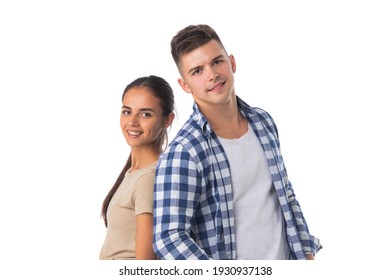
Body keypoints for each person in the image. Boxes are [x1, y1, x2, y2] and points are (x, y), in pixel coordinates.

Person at [153, 24, 322, 260]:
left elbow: (285, 194)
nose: (212, 75)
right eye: (197, 71)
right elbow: (168, 237)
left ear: (232, 62)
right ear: (185, 85)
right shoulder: (184, 151)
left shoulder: (263, 122)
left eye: (216, 62)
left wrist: (306, 251)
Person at [100, 75, 175, 260]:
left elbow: (145, 267)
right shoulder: (134, 173)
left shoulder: (147, 178)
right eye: (127, 111)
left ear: (167, 120)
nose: (132, 122)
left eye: (145, 114)